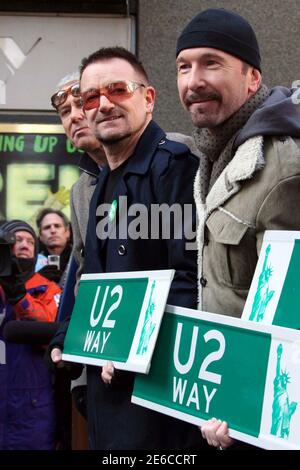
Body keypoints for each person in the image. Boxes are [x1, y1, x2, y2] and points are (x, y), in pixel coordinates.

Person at [50, 46, 203, 450]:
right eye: (90, 98)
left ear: (148, 98)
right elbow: (96, 282)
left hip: (160, 403)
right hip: (109, 398)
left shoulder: (174, 166)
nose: (103, 105)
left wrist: (134, 348)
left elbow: (192, 280)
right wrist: (68, 337)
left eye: (118, 90)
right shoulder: (100, 183)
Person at [176, 7, 300, 449]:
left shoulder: (283, 161)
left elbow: (290, 313)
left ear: (252, 78)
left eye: (212, 63)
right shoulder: (218, 155)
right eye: (184, 66)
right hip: (228, 411)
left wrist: (248, 403)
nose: (193, 81)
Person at [0, 220, 61, 449]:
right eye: (16, 240)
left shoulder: (49, 288)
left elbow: (50, 329)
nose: (24, 245)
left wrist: (19, 298)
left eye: (30, 241)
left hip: (32, 402)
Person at [36, 208, 71, 284]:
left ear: (67, 232)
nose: (53, 231)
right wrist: (38, 279)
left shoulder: (79, 257)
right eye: (47, 227)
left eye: (57, 226)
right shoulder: (33, 263)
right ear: (40, 236)